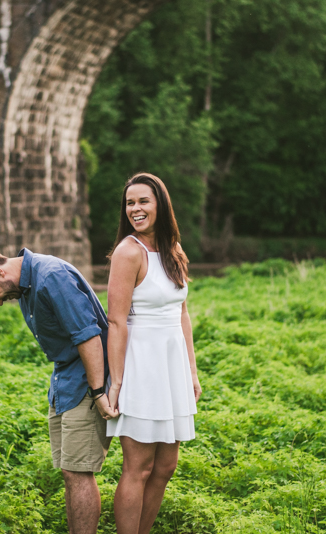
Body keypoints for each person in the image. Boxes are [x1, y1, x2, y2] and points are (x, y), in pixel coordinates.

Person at [0, 248, 119, 534]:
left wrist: (98, 392)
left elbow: (88, 334)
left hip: (86, 380)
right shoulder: (26, 286)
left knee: (78, 471)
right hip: (65, 381)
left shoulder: (51, 276)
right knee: (70, 472)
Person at [105, 172, 202, 534]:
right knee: (139, 466)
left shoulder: (173, 250)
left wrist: (191, 372)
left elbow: (182, 312)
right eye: (130, 203)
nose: (136, 209)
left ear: (160, 204)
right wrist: (116, 382)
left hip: (171, 366)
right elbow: (116, 321)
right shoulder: (128, 252)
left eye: (143, 201)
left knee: (166, 466)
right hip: (142, 367)